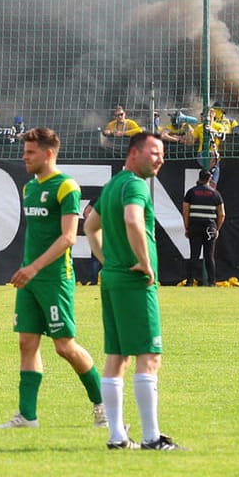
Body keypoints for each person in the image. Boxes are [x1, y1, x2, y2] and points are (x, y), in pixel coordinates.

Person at [0, 127, 105, 429]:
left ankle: (104, 405)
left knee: (64, 346)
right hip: (29, 279)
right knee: (27, 343)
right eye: (24, 151)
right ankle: (27, 416)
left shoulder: (66, 186)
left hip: (54, 278)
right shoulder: (29, 188)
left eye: (30, 152)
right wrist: (28, 270)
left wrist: (34, 268)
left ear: (48, 153)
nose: (24, 157)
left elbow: (69, 238)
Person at [84, 131, 177, 450]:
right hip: (135, 282)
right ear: (134, 153)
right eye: (154, 152)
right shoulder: (136, 185)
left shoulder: (112, 186)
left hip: (112, 279)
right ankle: (151, 438)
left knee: (117, 357)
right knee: (149, 356)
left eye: (162, 153)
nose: (160, 158)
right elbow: (133, 220)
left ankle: (116, 436)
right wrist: (143, 262)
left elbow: (89, 227)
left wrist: (108, 260)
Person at [181, 169, 225, 287]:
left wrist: (187, 227)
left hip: (194, 226)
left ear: (199, 177)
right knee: (209, 256)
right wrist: (217, 229)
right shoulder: (215, 194)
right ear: (209, 179)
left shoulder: (191, 192)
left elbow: (185, 212)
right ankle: (212, 282)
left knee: (194, 255)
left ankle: (190, 282)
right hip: (210, 228)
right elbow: (222, 214)